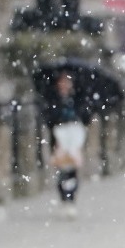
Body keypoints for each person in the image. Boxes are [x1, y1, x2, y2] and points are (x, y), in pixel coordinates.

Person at [48, 71, 86, 211]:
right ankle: (64, 196)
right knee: (61, 169)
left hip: (74, 136)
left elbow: (84, 115)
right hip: (59, 137)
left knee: (73, 170)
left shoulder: (77, 99)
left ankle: (71, 198)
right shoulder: (53, 99)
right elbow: (50, 117)